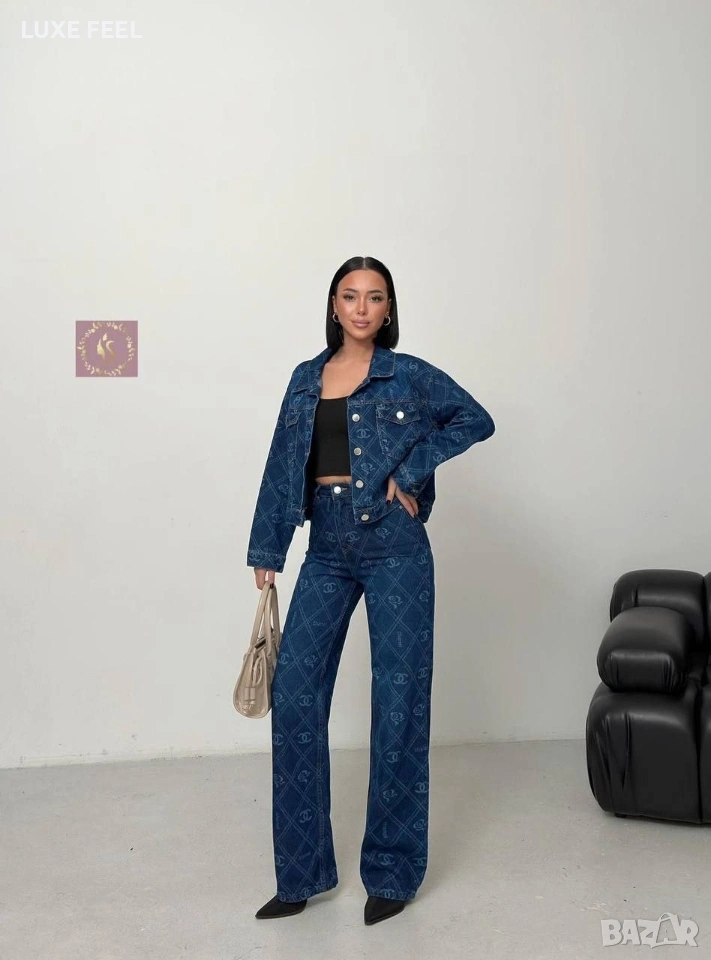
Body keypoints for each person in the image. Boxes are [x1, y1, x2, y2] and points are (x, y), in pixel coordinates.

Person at [246, 255, 495, 925]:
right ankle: (300, 874)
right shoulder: (305, 378)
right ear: (333, 305)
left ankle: (391, 872)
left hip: (394, 546)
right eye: (350, 296)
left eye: (374, 297)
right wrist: (268, 549)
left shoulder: (406, 374)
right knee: (294, 695)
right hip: (325, 548)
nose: (361, 308)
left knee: (398, 703)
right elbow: (280, 463)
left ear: (388, 310)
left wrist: (408, 472)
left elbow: (473, 419)